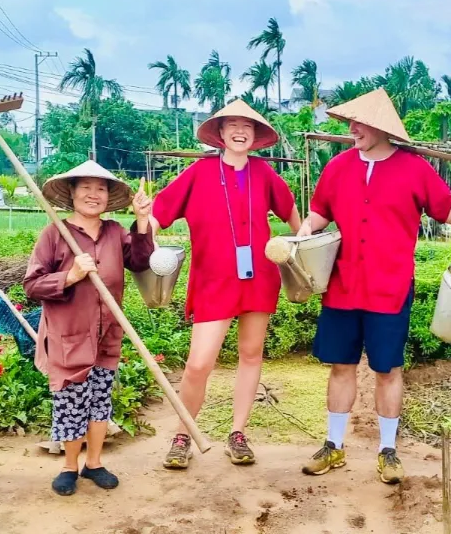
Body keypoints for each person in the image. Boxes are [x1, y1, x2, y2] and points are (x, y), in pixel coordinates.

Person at [296, 88, 451, 484]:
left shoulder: (415, 169)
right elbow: (318, 214)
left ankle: (388, 450)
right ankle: (333, 445)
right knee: (341, 366)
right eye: (351, 122)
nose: (352, 128)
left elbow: (450, 214)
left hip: (389, 289)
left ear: (382, 128)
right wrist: (302, 236)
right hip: (342, 286)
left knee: (388, 369)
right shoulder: (337, 167)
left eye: (360, 123)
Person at [151, 99, 301, 469]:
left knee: (251, 355)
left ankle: (238, 432)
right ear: (218, 133)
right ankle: (183, 434)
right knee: (199, 363)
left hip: (259, 279)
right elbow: (160, 211)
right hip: (214, 280)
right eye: (231, 125)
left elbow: (291, 211)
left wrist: (308, 248)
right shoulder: (199, 172)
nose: (239, 131)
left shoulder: (264, 174)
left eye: (246, 126)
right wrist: (145, 242)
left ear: (255, 135)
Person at [23, 160, 155, 496]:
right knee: (71, 403)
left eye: (100, 189)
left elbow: (140, 262)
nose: (93, 195)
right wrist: (70, 276)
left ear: (108, 196)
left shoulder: (114, 232)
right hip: (69, 335)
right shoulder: (55, 232)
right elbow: (32, 285)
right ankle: (69, 466)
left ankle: (93, 463)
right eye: (86, 188)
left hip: (108, 333)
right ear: (72, 193)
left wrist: (141, 221)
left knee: (100, 401)